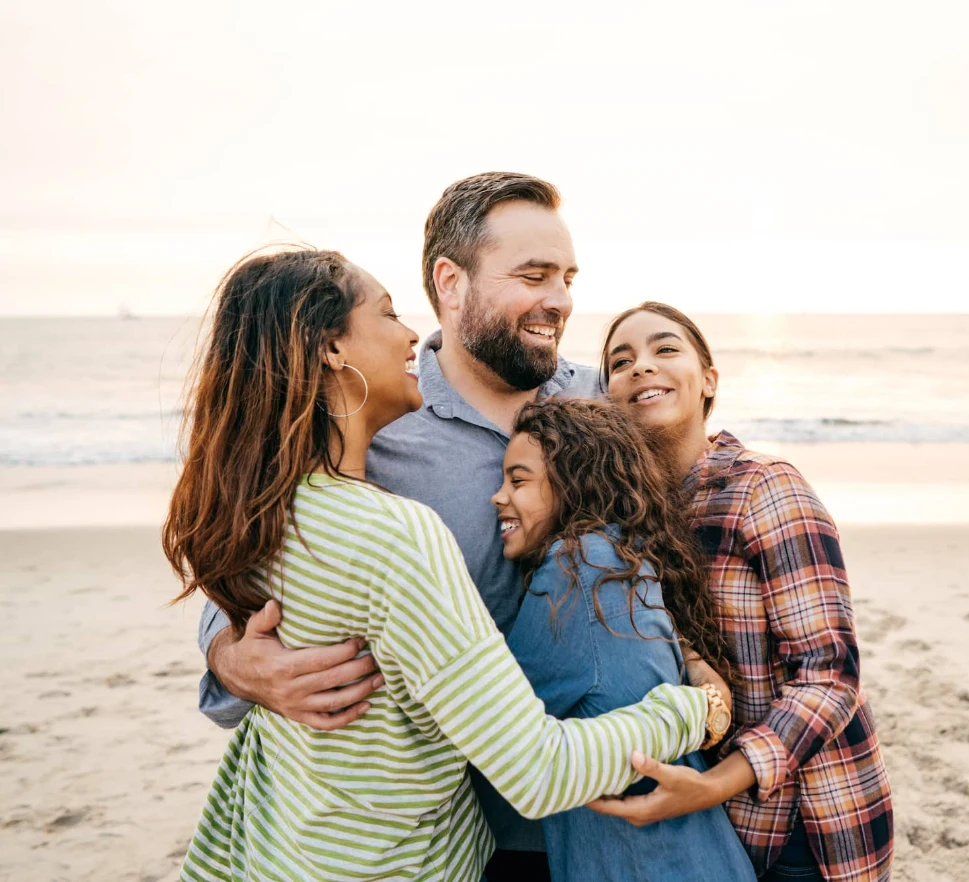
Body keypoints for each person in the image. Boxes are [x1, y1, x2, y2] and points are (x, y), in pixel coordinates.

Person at [164, 252, 720, 880]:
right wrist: (696, 711)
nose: (410, 334)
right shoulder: (395, 529)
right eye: (388, 314)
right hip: (396, 860)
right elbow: (539, 771)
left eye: (567, 279)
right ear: (331, 348)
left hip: (286, 845)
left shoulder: (266, 507)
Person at [590, 303, 895, 882]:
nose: (641, 367)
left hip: (808, 823)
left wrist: (712, 784)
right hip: (717, 825)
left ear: (708, 381)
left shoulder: (763, 486)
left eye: (665, 349)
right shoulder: (627, 517)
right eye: (620, 362)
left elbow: (831, 675)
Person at [493, 398, 755, 882]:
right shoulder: (623, 557)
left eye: (518, 480)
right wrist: (707, 697)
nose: (497, 496)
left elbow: (494, 726)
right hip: (697, 855)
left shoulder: (575, 567)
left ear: (573, 483)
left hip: (643, 864)